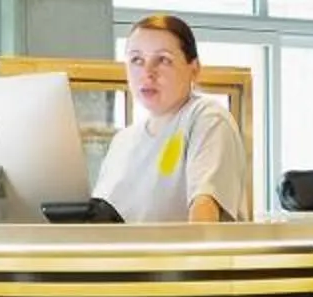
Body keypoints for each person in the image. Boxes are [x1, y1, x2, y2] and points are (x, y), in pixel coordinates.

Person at [94, 13, 252, 223]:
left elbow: (204, 212)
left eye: (163, 60)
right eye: (136, 60)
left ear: (194, 70)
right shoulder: (122, 141)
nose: (147, 73)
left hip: (186, 256)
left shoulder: (206, 118)